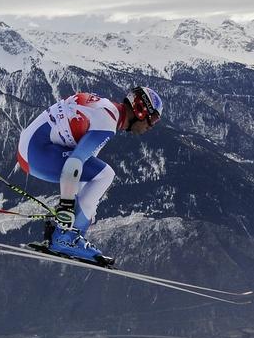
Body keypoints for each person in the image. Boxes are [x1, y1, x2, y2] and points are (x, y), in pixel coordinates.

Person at [16, 86, 163, 265]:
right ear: (140, 111)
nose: (151, 126)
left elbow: (80, 168)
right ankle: (66, 239)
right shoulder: (107, 122)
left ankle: (66, 234)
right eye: (153, 119)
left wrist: (83, 210)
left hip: (32, 149)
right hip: (37, 154)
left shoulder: (106, 109)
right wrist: (67, 207)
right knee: (106, 175)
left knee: (93, 187)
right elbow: (73, 164)